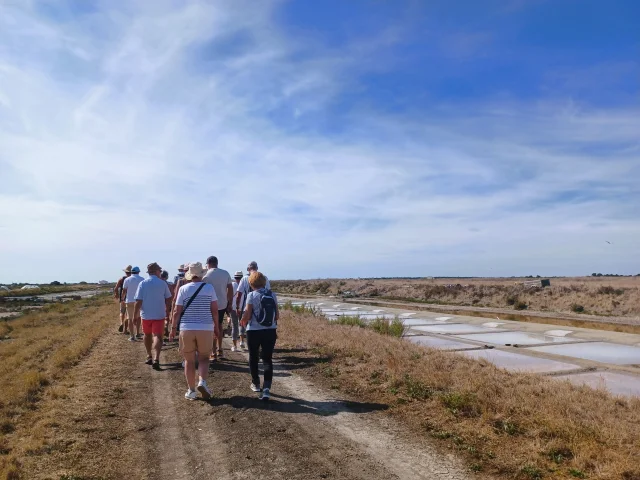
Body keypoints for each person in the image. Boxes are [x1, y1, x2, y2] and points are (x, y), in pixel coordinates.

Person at [170, 262, 219, 400]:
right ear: (202, 274)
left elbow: (176, 311)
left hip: (187, 328)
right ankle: (202, 382)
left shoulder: (183, 289)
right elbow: (214, 310)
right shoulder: (209, 288)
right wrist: (216, 327)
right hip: (205, 327)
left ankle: (191, 391)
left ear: (190, 275)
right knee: (204, 358)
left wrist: (173, 328)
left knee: (189, 361)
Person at [240, 271, 279, 401]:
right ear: (263, 282)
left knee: (253, 357)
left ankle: (256, 383)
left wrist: (243, 320)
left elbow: (248, 314)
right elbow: (277, 315)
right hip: (270, 331)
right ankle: (267, 388)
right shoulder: (272, 295)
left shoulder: (251, 295)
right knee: (267, 359)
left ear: (251, 283)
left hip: (254, 331)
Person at [134, 262, 172, 369]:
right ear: (156, 272)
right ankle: (156, 358)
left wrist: (135, 315)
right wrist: (167, 310)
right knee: (157, 336)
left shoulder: (143, 283)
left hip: (146, 314)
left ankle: (149, 355)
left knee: (147, 335)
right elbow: (168, 298)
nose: (160, 272)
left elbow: (138, 300)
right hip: (159, 314)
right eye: (160, 271)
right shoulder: (162, 283)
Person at [202, 256, 233, 361]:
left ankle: (213, 351)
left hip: (209, 304)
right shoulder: (225, 273)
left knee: (211, 327)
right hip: (222, 304)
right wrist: (230, 302)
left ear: (208, 263)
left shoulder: (206, 275)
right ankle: (220, 349)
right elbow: (230, 288)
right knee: (219, 325)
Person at [123, 266, 144, 341]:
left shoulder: (127, 279)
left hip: (129, 301)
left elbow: (124, 290)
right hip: (139, 301)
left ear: (131, 272)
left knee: (130, 318)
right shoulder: (142, 279)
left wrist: (122, 298)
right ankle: (138, 332)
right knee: (138, 317)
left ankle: (132, 336)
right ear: (139, 272)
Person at [231, 271, 246, 351]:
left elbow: (229, 296)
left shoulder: (232, 285)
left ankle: (234, 346)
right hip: (243, 308)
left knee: (234, 326)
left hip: (234, 308)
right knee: (242, 324)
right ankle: (242, 341)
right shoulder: (245, 285)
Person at [114, 265, 132, 333]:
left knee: (122, 312)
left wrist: (117, 294)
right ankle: (125, 330)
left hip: (123, 298)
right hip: (130, 299)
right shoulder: (133, 279)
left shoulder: (121, 279)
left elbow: (116, 288)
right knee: (128, 315)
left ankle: (121, 323)